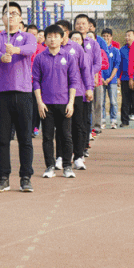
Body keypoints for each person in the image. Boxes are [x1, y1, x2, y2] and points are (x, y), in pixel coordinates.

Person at [0, 2, 37, 192]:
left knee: (25, 138)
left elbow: (31, 49)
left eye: (15, 13)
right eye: (7, 13)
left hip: (23, 92)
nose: (11, 16)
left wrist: (16, 50)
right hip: (1, 93)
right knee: (2, 138)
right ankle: (3, 177)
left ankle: (26, 177)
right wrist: (2, 56)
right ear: (2, 18)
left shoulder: (28, 37)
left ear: (21, 18)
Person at [33, 25, 80, 179]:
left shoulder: (69, 57)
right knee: (47, 137)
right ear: (45, 39)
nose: (52, 39)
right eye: (49, 37)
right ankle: (49, 166)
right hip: (46, 105)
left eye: (56, 36)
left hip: (64, 103)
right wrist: (39, 103)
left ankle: (67, 166)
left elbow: (73, 81)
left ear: (62, 38)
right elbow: (36, 82)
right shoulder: (40, 58)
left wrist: (71, 103)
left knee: (66, 136)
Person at [56, 22, 94, 171]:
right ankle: (60, 157)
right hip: (59, 94)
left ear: (67, 32)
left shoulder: (76, 48)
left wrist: (89, 88)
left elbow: (85, 69)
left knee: (78, 125)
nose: (57, 35)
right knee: (61, 127)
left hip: (77, 92)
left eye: (61, 31)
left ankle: (78, 156)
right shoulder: (53, 49)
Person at [74, 14, 102, 152]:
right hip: (72, 84)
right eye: (78, 23)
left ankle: (84, 145)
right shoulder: (69, 43)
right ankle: (74, 146)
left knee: (86, 115)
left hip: (87, 84)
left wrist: (87, 73)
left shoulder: (93, 43)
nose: (81, 26)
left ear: (89, 26)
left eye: (83, 23)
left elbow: (98, 64)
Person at [67, 30, 94, 165]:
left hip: (80, 93)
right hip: (65, 94)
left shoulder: (84, 55)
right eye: (73, 38)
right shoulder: (64, 52)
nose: (76, 41)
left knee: (80, 124)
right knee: (67, 125)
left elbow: (87, 72)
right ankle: (67, 153)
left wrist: (89, 88)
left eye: (78, 39)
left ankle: (80, 151)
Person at [101, 28, 121, 129]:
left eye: (108, 36)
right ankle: (102, 120)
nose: (106, 38)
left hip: (112, 80)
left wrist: (110, 78)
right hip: (100, 80)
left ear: (111, 37)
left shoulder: (115, 50)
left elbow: (116, 66)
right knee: (101, 101)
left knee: (113, 101)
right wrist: (101, 78)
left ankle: (113, 120)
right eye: (104, 36)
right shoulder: (99, 50)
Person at [119, 30, 134, 127]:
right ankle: (124, 121)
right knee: (125, 100)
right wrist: (118, 77)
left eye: (129, 36)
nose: (127, 38)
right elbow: (119, 65)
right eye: (126, 36)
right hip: (125, 78)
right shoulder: (122, 50)